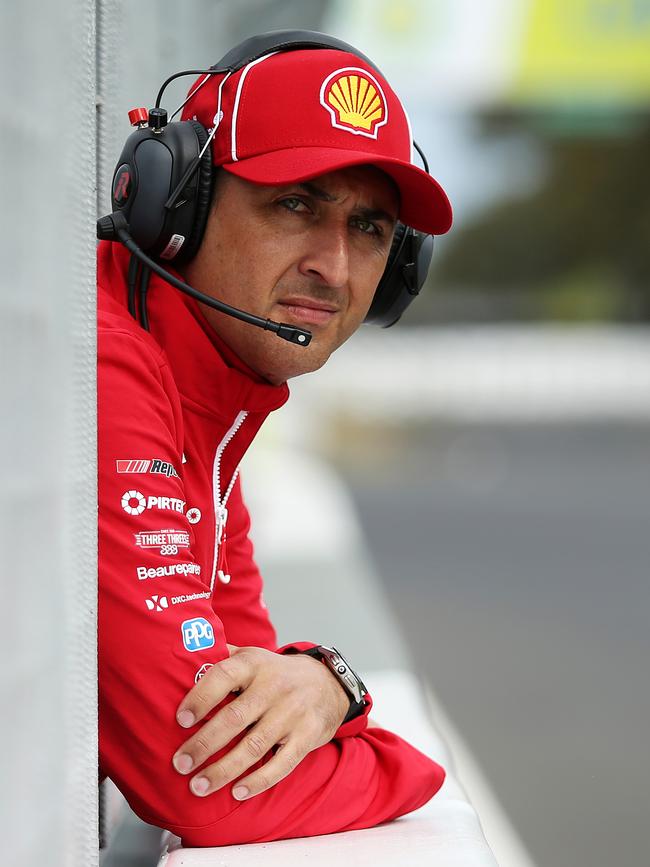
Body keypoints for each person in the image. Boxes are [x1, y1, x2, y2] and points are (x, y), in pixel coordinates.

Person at [98, 31, 452, 847]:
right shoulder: (108, 369)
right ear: (174, 203)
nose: (334, 264)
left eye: (370, 228)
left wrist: (329, 686)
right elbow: (207, 777)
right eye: (295, 204)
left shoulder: (214, 410)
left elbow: (241, 704)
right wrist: (402, 760)